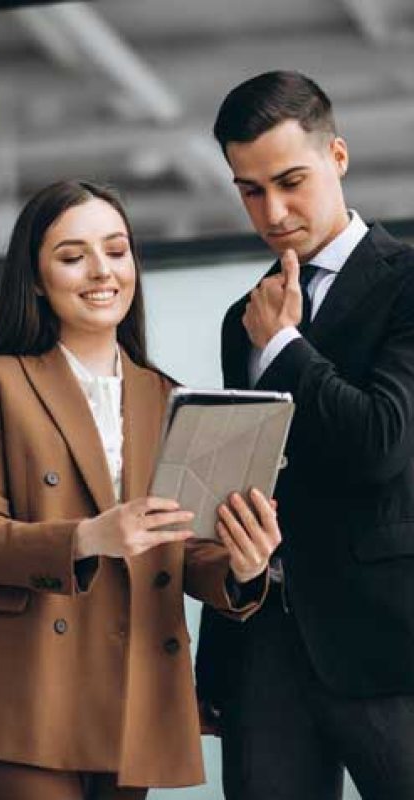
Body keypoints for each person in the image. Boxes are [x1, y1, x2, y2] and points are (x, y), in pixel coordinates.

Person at [0, 179, 281, 800]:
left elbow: (181, 543)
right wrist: (92, 536)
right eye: (72, 256)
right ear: (35, 279)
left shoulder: (166, 394)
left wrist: (244, 568)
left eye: (116, 251)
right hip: (23, 691)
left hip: (131, 692)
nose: (102, 271)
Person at [196, 71, 414, 800]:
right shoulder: (243, 316)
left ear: (339, 157)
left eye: (291, 180)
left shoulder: (407, 282)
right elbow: (252, 478)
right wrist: (216, 663)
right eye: (250, 189)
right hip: (267, 648)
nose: (274, 210)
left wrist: (286, 343)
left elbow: (381, 441)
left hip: (386, 642)